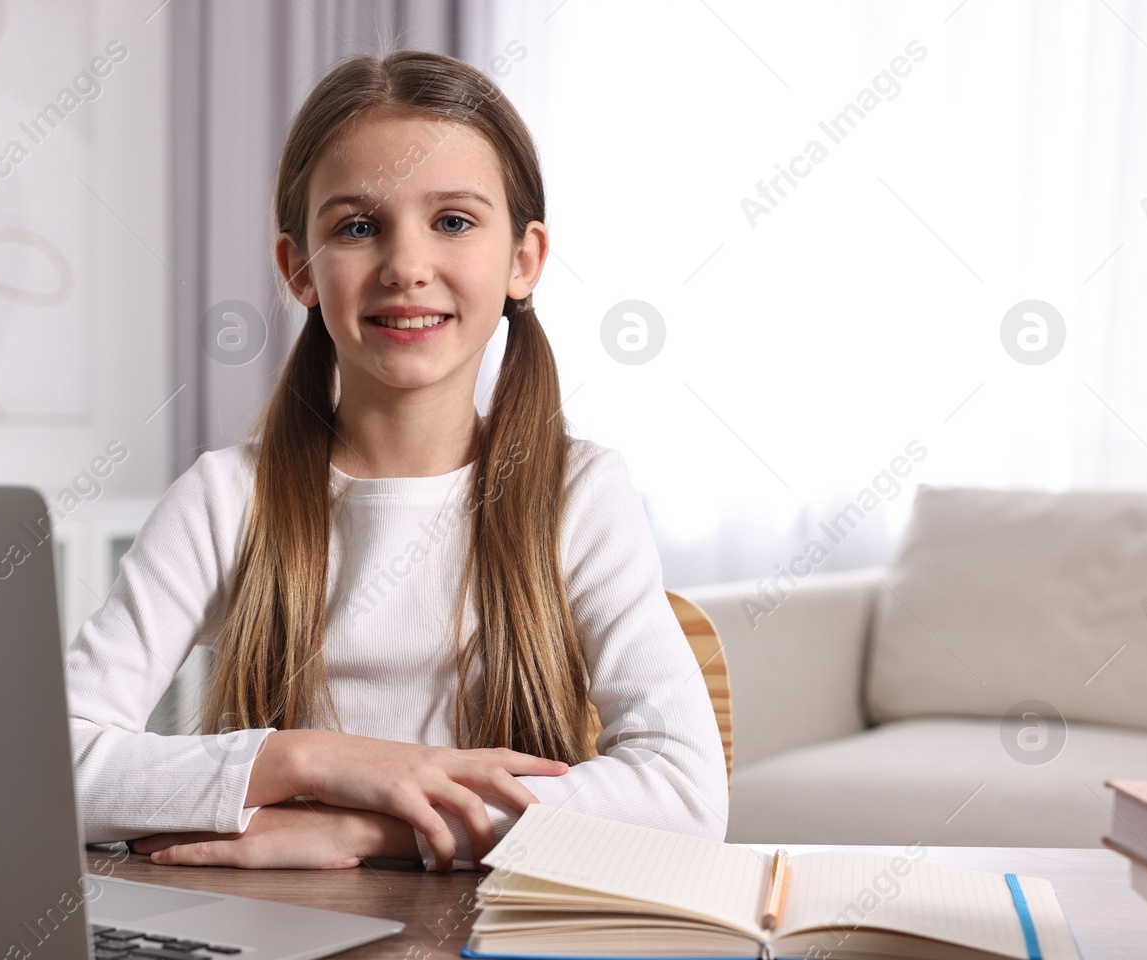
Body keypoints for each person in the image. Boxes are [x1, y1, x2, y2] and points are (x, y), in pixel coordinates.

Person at [66, 49, 727, 873]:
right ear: (298, 269)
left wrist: (372, 827)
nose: (406, 266)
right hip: (277, 956)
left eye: (452, 221)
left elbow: (686, 797)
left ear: (523, 260)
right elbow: (45, 769)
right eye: (357, 226)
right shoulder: (223, 498)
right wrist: (311, 760)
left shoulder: (580, 494)